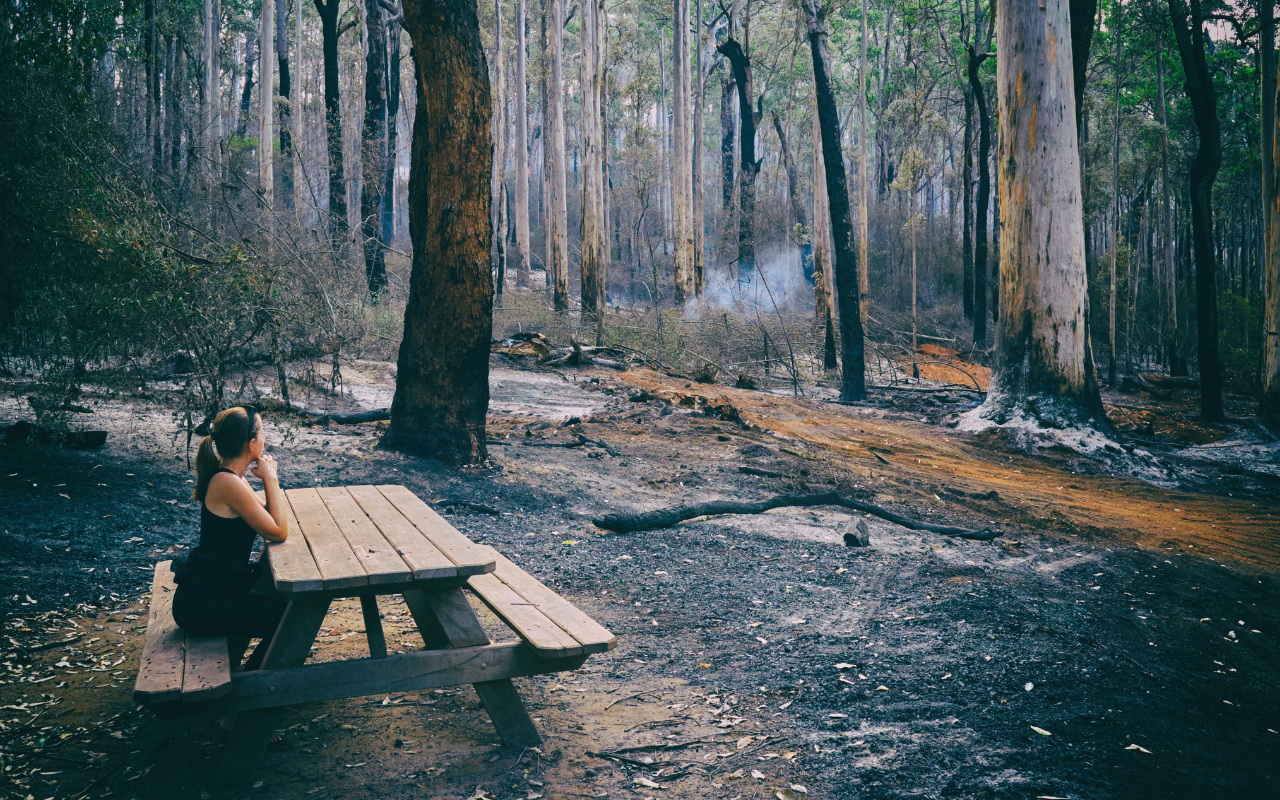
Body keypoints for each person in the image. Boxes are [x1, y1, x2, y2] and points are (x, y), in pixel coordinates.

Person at [173, 405, 289, 671]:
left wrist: (268, 481)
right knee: (292, 622)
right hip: (203, 604)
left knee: (290, 610)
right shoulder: (228, 483)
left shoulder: (232, 477)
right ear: (251, 444)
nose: (264, 439)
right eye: (261, 433)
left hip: (216, 593)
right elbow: (278, 531)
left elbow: (270, 516)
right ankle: (254, 686)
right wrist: (271, 479)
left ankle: (252, 678)